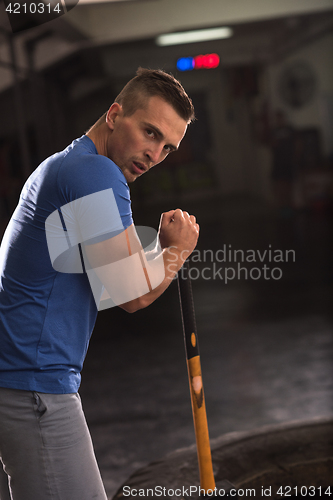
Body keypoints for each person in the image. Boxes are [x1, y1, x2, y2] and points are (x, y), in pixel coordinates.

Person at [0, 68, 199, 500]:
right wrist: (178, 249)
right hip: (34, 386)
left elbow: (112, 276)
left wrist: (161, 248)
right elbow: (132, 294)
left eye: (167, 147)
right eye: (149, 132)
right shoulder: (95, 175)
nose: (154, 154)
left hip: (19, 381)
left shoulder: (69, 166)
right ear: (114, 114)